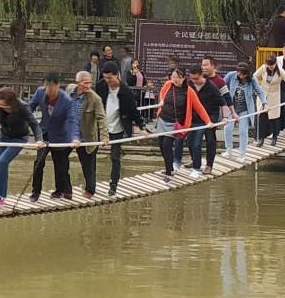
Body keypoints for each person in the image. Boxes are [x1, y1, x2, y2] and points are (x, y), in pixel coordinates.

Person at [94, 62, 146, 196]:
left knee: (115, 157)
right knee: (91, 153)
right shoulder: (100, 86)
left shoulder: (125, 91)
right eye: (105, 77)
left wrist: (142, 126)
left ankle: (113, 185)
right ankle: (90, 184)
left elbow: (133, 111)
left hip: (117, 127)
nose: (107, 81)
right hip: (101, 126)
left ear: (116, 75)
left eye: (110, 78)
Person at [27, 73, 78, 201]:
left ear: (57, 85)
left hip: (61, 136)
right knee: (38, 162)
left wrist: (75, 137)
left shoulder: (66, 100)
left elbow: (72, 120)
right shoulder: (40, 92)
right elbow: (30, 107)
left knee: (61, 165)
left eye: (51, 86)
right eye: (46, 86)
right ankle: (35, 191)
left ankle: (61, 190)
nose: (49, 89)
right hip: (44, 133)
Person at [0, 86, 37, 207]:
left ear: (11, 103)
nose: (3, 108)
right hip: (4, 136)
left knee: (3, 162)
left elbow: (34, 124)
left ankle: (1, 197)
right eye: (1, 106)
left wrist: (39, 140)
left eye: (5, 107)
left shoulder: (22, 107)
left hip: (19, 138)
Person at [155, 67, 210, 180]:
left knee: (167, 145)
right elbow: (162, 93)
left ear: (183, 78)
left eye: (178, 78)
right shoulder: (168, 85)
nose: (174, 80)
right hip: (162, 120)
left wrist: (208, 121)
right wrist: (161, 100)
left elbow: (199, 107)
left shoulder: (189, 91)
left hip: (174, 124)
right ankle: (169, 168)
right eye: (173, 77)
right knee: (161, 145)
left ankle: (168, 173)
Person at [71, 70, 104, 197]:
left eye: (90, 83)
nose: (88, 86)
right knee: (61, 159)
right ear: (77, 83)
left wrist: (105, 137)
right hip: (72, 134)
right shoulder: (70, 93)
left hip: (88, 136)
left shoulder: (95, 99)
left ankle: (90, 189)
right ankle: (64, 189)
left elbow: (102, 118)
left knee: (88, 164)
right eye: (85, 83)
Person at [189, 64, 226, 171]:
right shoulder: (190, 84)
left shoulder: (211, 86)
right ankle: (194, 160)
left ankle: (209, 165)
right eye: (192, 78)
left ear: (201, 75)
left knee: (210, 140)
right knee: (191, 139)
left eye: (196, 78)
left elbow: (223, 102)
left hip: (210, 116)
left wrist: (225, 117)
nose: (194, 81)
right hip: (195, 116)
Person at [224, 59, 262, 156]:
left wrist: (265, 102)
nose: (238, 75)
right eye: (238, 73)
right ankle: (228, 149)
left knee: (243, 131)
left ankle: (242, 154)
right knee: (227, 128)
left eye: (241, 74)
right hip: (232, 108)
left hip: (244, 109)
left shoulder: (252, 80)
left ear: (246, 74)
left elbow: (259, 91)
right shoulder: (231, 76)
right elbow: (222, 85)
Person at [253, 59, 285, 145]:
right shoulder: (263, 68)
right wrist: (258, 87)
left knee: (274, 118)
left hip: (274, 96)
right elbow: (254, 76)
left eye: (272, 65)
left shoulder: (280, 71)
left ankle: (274, 137)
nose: (270, 67)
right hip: (263, 95)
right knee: (262, 117)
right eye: (269, 65)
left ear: (275, 64)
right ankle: (261, 138)